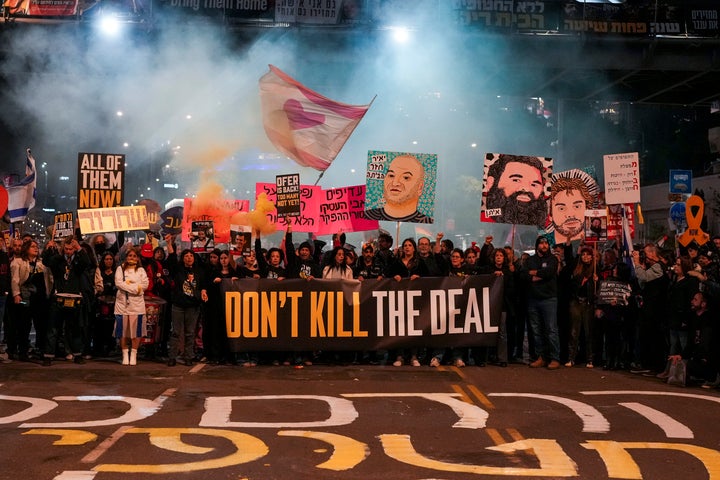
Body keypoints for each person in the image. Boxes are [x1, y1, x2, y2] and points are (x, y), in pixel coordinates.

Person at [41, 236, 92, 366]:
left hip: (74, 298)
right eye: (66, 249)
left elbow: (88, 262)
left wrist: (79, 248)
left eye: (71, 249)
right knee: (53, 328)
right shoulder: (58, 260)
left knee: (74, 328)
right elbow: (47, 262)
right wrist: (49, 248)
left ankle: (77, 354)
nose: (68, 251)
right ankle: (48, 355)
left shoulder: (78, 262)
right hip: (58, 297)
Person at [385, 237, 429, 367]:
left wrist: (419, 277)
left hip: (415, 301)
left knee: (413, 328)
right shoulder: (397, 262)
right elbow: (386, 274)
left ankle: (414, 356)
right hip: (399, 300)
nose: (407, 247)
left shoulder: (419, 263)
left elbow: (429, 278)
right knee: (400, 328)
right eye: (405, 245)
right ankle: (400, 356)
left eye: (410, 245)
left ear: (414, 248)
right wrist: (394, 277)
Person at [521, 236, 561, 370]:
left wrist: (535, 274)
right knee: (536, 331)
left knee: (551, 330)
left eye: (546, 243)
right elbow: (524, 275)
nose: (544, 245)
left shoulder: (553, 259)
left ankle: (555, 358)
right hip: (533, 299)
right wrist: (538, 275)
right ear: (537, 245)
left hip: (549, 299)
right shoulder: (530, 260)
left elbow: (549, 273)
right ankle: (541, 357)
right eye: (541, 243)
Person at [166, 246, 209, 367]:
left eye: (191, 256)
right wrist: (169, 243)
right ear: (183, 258)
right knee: (175, 332)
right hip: (178, 305)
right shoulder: (178, 269)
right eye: (186, 256)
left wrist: (204, 291)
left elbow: (204, 284)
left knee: (190, 333)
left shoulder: (200, 271)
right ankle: (172, 357)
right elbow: (171, 259)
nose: (189, 258)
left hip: (193, 306)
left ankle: (189, 356)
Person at [482, 154, 548, 226]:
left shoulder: (551, 224)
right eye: (516, 180)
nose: (526, 189)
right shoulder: (483, 219)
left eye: (534, 184)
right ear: (491, 182)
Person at [364, 154, 433, 223]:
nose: (395, 183)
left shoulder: (427, 223)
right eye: (391, 175)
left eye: (406, 177)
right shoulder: (365, 216)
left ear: (420, 187)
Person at [8, 239, 47, 361]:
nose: (36, 248)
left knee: (40, 324)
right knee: (24, 324)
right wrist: (16, 295)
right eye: (32, 247)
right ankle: (22, 351)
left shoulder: (41, 263)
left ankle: (40, 349)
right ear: (26, 249)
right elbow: (15, 280)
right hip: (24, 299)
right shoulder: (18, 262)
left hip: (38, 299)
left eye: (37, 246)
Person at [114, 247, 149, 366]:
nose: (132, 258)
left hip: (137, 305)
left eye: (134, 256)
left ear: (138, 258)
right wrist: (135, 288)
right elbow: (118, 283)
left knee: (136, 330)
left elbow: (145, 285)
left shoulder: (141, 270)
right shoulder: (120, 269)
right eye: (130, 256)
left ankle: (134, 353)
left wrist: (131, 288)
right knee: (122, 330)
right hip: (122, 304)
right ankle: (125, 353)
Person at [565, 246, 598, 368]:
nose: (585, 256)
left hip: (588, 303)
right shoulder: (576, 268)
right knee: (574, 332)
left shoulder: (595, 269)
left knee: (588, 332)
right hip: (576, 302)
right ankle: (571, 358)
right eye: (583, 254)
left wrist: (596, 280)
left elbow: (599, 289)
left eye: (588, 254)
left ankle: (590, 359)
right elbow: (568, 259)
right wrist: (569, 243)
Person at [548, 176, 593, 244]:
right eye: (561, 208)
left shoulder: (593, 239)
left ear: (587, 209)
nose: (570, 214)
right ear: (550, 215)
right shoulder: (545, 243)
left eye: (577, 206)